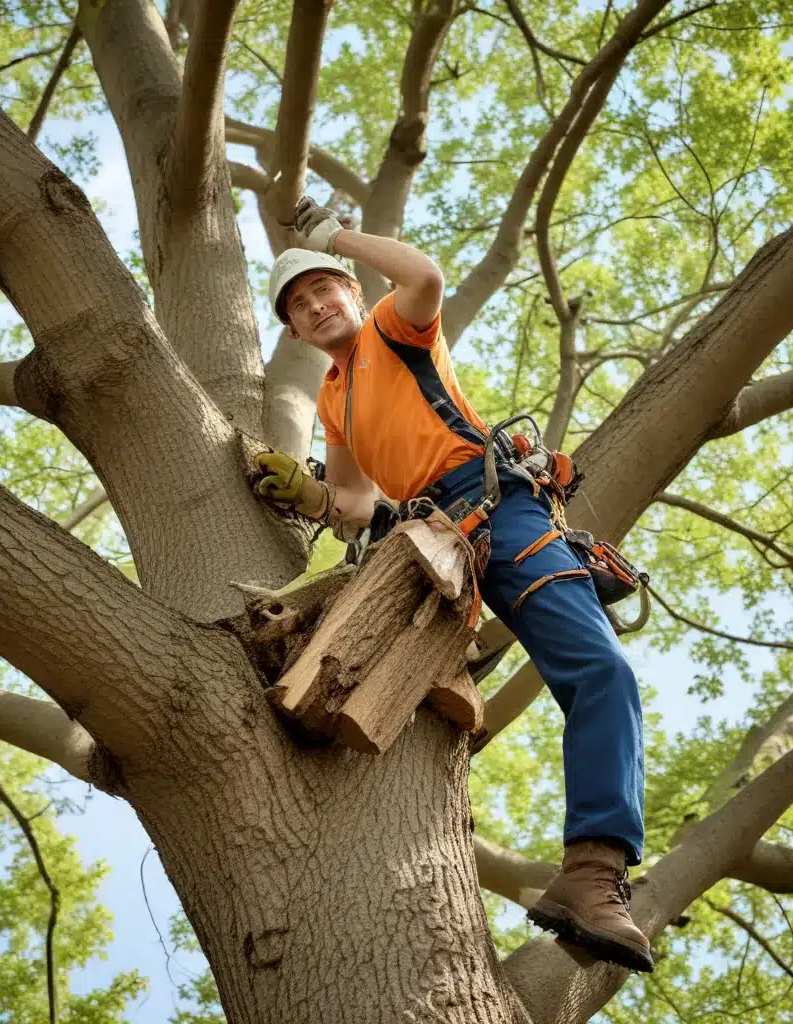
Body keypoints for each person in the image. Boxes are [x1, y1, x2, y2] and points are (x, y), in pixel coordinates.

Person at [252, 198, 651, 973]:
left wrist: (330, 238)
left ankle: (595, 874)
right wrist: (304, 497)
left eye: (327, 288)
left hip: (500, 508)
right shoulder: (335, 399)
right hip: (435, 542)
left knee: (599, 670)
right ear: (295, 333)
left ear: (354, 294)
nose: (317, 304)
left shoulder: (392, 331)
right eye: (300, 305)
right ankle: (575, 877)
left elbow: (426, 275)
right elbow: (356, 503)